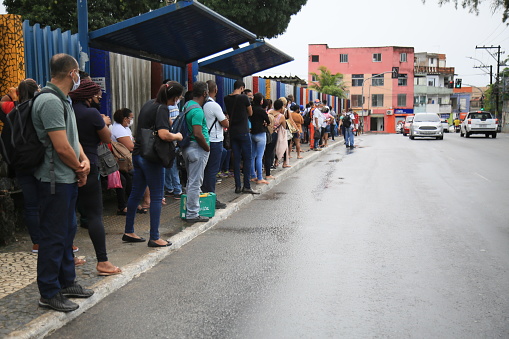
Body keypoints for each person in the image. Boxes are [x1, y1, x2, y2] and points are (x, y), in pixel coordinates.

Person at [32, 53, 93, 312]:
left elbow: (72, 138)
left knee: (67, 232)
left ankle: (67, 282)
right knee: (53, 237)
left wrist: (84, 159)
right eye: (78, 72)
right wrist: (79, 168)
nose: (79, 77)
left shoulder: (64, 99)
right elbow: (60, 146)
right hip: (54, 180)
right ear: (72, 73)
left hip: (66, 177)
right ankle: (48, 291)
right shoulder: (49, 101)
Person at [70, 79, 122, 276]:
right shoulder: (91, 113)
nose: (100, 98)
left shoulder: (68, 110)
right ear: (90, 96)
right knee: (94, 215)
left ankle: (70, 256)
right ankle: (103, 261)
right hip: (89, 165)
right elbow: (107, 138)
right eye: (98, 95)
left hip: (67, 166)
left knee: (69, 213)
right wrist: (104, 122)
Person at [123, 81, 183, 247]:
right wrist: (177, 136)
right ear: (176, 98)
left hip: (138, 154)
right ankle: (155, 237)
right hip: (152, 157)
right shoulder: (163, 108)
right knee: (157, 196)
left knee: (136, 193)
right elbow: (164, 134)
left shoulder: (149, 103)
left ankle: (129, 231)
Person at [224, 80, 259, 194]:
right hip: (243, 131)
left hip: (233, 132)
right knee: (247, 158)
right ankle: (247, 186)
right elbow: (250, 113)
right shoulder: (244, 98)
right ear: (242, 88)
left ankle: (237, 186)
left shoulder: (226, 98)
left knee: (236, 159)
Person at [183, 81, 210, 222]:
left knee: (191, 181)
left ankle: (190, 209)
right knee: (195, 183)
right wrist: (207, 147)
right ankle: (192, 214)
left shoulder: (187, 105)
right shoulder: (198, 111)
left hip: (188, 148)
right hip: (197, 148)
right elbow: (198, 133)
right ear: (205, 93)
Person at [202, 80, 229, 209]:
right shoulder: (214, 105)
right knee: (212, 171)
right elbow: (225, 123)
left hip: (204, 140)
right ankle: (211, 198)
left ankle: (204, 195)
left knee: (205, 170)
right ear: (216, 90)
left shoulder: (201, 104)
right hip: (215, 141)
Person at [110, 108, 135, 214]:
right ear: (125, 119)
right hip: (119, 161)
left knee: (129, 178)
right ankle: (123, 206)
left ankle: (131, 204)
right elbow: (131, 146)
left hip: (124, 160)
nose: (132, 120)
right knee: (125, 178)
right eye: (131, 118)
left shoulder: (125, 128)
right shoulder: (118, 129)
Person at [249, 93, 270, 184]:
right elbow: (268, 121)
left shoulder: (251, 109)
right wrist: (265, 123)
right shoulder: (261, 111)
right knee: (259, 156)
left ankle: (253, 176)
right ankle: (260, 177)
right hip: (261, 134)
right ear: (261, 101)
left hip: (252, 133)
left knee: (252, 156)